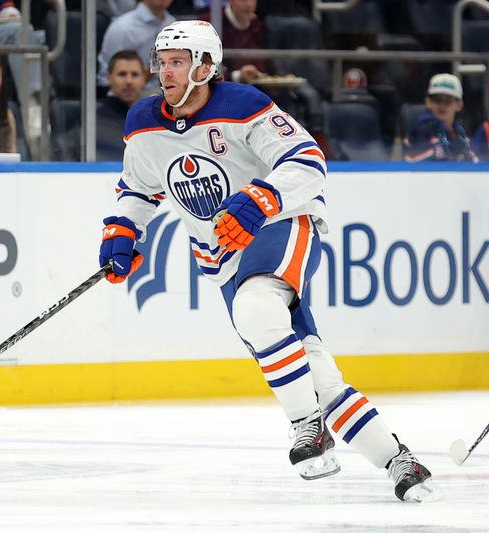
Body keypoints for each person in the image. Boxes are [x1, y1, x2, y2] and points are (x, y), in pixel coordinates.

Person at [98, 20, 434, 502]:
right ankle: (400, 461)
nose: (165, 71)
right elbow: (138, 188)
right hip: (225, 255)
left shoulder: (244, 106)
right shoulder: (144, 121)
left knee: (256, 310)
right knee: (313, 371)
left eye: (177, 61)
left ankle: (307, 428)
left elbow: (307, 160)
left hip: (282, 226)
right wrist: (124, 230)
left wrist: (261, 200)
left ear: (205, 66)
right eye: (162, 61)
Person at [97, 0, 175, 91]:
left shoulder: (172, 24)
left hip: (165, 93)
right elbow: (105, 78)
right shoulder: (122, 27)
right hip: (126, 96)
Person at [404, 73, 478, 163]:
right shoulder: (423, 129)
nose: (442, 105)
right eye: (437, 100)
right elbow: (412, 160)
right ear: (428, 102)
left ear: (459, 105)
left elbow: (473, 161)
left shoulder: (460, 133)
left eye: (448, 101)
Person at [97, 49, 148, 161]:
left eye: (135, 75)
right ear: (108, 77)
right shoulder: (93, 123)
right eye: (122, 74)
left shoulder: (154, 118)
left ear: (144, 78)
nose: (129, 81)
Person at [201, 0, 265, 84]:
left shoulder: (257, 26)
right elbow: (203, 70)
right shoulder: (207, 24)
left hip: (256, 87)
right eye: (243, 0)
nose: (249, 4)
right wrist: (236, 76)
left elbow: (263, 64)